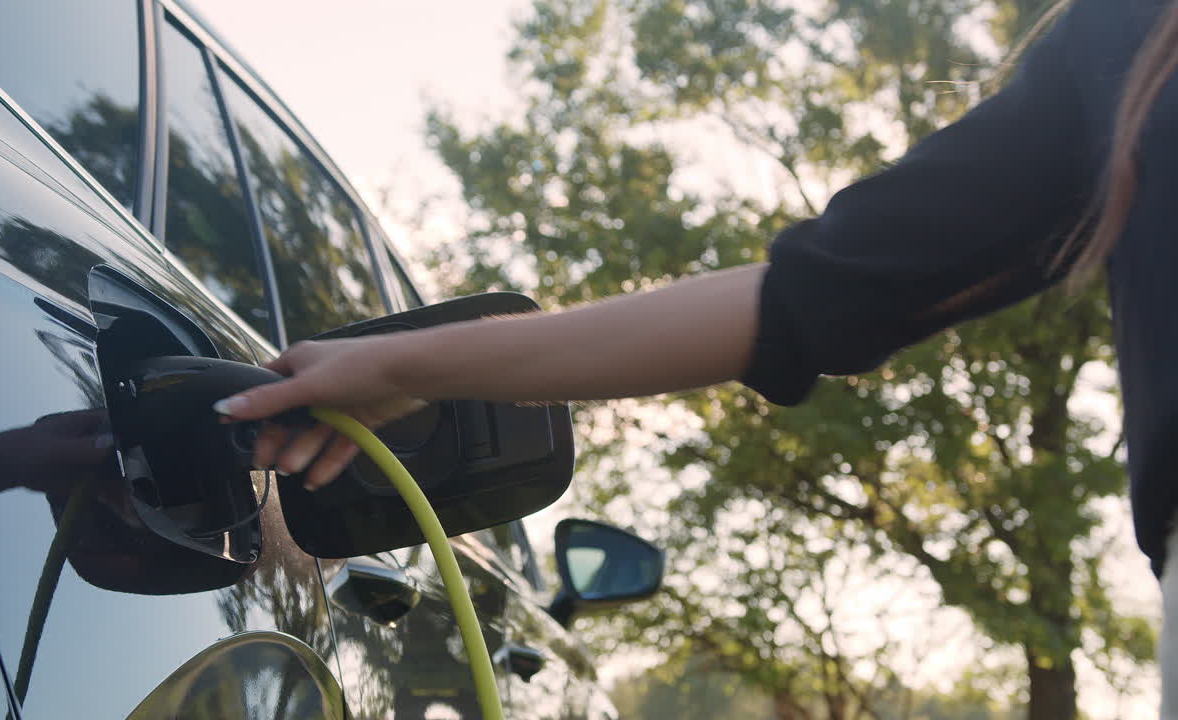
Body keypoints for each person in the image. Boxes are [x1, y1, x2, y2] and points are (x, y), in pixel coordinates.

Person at [212, 0, 1178, 713]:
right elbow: (816, 295)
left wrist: (403, 368)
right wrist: (400, 369)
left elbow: (807, 296)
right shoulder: (1136, 42)